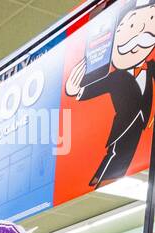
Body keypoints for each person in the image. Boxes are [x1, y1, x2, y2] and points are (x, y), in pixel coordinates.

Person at [65, 0, 155, 187]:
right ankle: (100, 178)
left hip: (140, 123)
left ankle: (105, 177)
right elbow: (97, 87)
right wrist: (76, 90)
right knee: (116, 153)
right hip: (123, 123)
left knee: (128, 153)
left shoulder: (149, 67)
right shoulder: (116, 77)